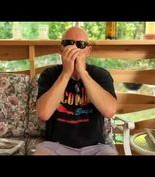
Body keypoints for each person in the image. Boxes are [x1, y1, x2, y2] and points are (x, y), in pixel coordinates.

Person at [34, 26, 118, 155]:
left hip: (95, 147)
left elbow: (109, 111)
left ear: (88, 51)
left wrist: (83, 73)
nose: (74, 49)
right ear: (60, 49)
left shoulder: (100, 75)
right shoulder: (49, 74)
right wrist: (66, 73)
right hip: (56, 146)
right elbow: (44, 114)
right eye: (68, 43)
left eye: (80, 44)